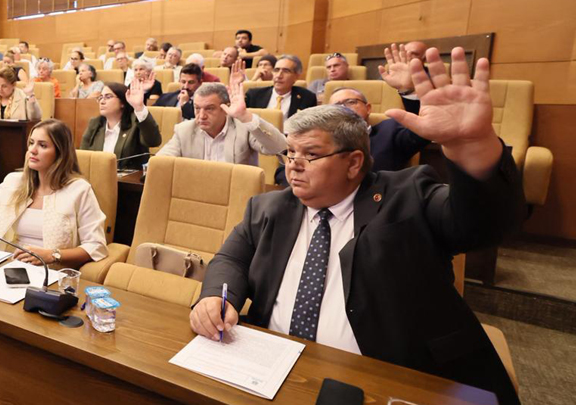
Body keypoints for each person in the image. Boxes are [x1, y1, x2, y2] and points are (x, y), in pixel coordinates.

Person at [189, 47, 522, 405]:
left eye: (311, 155)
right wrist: (216, 296)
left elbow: (483, 225)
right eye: (291, 153)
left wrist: (474, 149)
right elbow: (232, 259)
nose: (294, 165)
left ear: (353, 163)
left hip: (391, 379)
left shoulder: (408, 197)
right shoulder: (268, 207)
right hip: (273, 370)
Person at [0, 119, 109, 267]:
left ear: (60, 152)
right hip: (8, 268)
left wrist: (52, 255)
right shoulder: (13, 182)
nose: (33, 150)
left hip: (51, 273)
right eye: (31, 143)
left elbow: (96, 245)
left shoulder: (79, 190)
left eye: (42, 145)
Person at [158, 66, 286, 165]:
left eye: (209, 109)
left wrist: (245, 116)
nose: (201, 116)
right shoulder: (184, 130)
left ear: (226, 108)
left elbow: (279, 147)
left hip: (237, 189)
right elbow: (161, 161)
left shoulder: (243, 129)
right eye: (197, 108)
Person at [331, 87, 430, 172]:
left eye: (350, 102)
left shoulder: (389, 130)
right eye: (336, 106)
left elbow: (421, 130)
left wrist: (407, 91)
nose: (343, 108)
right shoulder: (325, 139)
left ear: (368, 108)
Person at [79, 79, 161, 169]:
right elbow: (83, 156)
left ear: (122, 102)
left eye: (108, 97)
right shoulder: (95, 124)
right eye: (100, 97)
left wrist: (139, 107)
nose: (102, 101)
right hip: (97, 175)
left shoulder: (136, 123)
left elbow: (154, 141)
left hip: (128, 177)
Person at [245, 55, 316, 122]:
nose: (279, 76)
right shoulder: (254, 95)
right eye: (276, 70)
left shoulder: (307, 98)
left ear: (296, 76)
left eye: (286, 71)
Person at [380, 42, 426, 115]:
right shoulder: (389, 74)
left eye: (414, 53)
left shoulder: (432, 79)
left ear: (424, 59)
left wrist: (408, 90)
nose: (408, 55)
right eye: (405, 52)